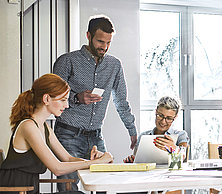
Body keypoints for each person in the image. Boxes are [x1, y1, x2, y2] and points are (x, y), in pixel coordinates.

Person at [52, 15, 137, 191]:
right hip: (68, 134)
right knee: (69, 188)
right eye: (100, 41)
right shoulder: (67, 61)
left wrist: (132, 132)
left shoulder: (114, 65)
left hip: (95, 137)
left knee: (104, 184)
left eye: (108, 43)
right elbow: (52, 98)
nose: (104, 47)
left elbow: (121, 101)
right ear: (88, 36)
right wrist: (77, 98)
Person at [0, 74, 113, 194]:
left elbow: (67, 158)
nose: (67, 105)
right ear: (47, 99)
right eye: (63, 100)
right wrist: (95, 163)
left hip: (29, 190)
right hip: (16, 190)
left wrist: (96, 163)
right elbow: (57, 169)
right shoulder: (28, 126)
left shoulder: (44, 127)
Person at [123, 96, 189, 163]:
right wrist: (131, 160)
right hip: (147, 173)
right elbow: (136, 160)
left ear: (175, 117)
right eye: (160, 115)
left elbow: (183, 156)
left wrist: (174, 148)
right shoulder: (143, 136)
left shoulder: (180, 135)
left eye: (169, 118)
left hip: (170, 173)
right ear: (156, 112)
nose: (163, 121)